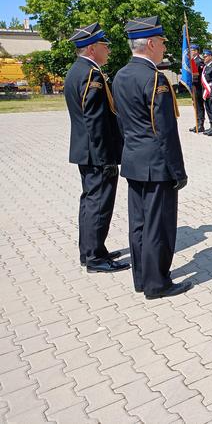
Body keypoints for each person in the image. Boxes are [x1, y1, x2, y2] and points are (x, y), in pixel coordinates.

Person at [112, 16, 191, 299]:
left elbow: (120, 121)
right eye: (160, 43)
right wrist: (178, 170)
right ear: (150, 44)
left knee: (139, 224)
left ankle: (141, 279)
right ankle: (158, 284)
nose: (162, 49)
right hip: (157, 165)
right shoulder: (155, 78)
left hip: (133, 160)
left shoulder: (120, 75)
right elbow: (165, 131)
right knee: (159, 225)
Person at [64, 22, 129, 273]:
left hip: (85, 150)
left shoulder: (77, 70)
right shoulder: (91, 75)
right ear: (91, 48)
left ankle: (91, 250)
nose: (108, 50)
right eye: (104, 45)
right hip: (97, 153)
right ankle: (95, 259)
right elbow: (95, 121)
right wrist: (106, 159)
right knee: (99, 204)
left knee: (90, 202)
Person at [200, 49, 212, 136]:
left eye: (206, 56)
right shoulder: (206, 66)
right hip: (206, 92)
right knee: (208, 109)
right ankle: (211, 126)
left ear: (211, 56)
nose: (204, 58)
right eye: (204, 56)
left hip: (211, 91)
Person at [189, 44, 206, 133]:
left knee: (199, 105)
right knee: (195, 105)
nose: (190, 52)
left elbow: (198, 76)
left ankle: (200, 125)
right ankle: (197, 123)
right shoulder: (191, 61)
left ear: (196, 51)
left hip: (198, 86)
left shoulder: (199, 61)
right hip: (193, 86)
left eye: (191, 50)